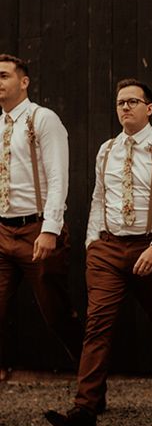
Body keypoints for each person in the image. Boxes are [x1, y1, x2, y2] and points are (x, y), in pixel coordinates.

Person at [45, 78, 152, 426]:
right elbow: (98, 198)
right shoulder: (106, 149)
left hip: (151, 246)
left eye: (133, 102)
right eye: (121, 102)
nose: (125, 107)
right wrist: (93, 240)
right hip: (108, 248)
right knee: (98, 324)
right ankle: (85, 408)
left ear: (149, 108)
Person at [0, 54, 82, 381]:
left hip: (37, 230)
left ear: (24, 82)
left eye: (4, 76)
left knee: (57, 315)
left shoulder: (42, 119)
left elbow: (58, 176)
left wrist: (49, 229)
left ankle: (92, 383)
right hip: (3, 231)